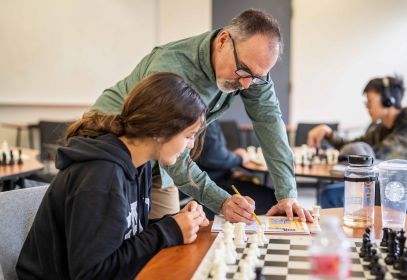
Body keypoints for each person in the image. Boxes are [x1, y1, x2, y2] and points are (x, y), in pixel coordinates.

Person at [92, 9, 312, 223]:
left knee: (166, 250)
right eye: (243, 70)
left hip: (164, 160)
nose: (246, 85)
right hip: (115, 147)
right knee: (117, 241)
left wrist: (287, 194)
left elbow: (269, 121)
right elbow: (170, 147)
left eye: (256, 77)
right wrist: (221, 201)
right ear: (223, 40)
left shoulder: (252, 71)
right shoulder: (172, 66)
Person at [16, 73, 210, 279]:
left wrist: (176, 221)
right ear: (160, 131)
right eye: (188, 136)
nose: (190, 145)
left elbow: (124, 234)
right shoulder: (101, 177)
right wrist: (168, 231)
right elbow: (92, 274)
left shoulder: (139, 164)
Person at [307, 75, 407, 215]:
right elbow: (354, 146)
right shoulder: (383, 128)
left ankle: (342, 236)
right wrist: (329, 133)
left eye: (370, 101)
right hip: (390, 188)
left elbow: (377, 157)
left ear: (388, 100)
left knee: (330, 196)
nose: (367, 107)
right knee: (330, 193)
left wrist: (348, 157)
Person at [195, 121, 277, 218]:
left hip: (219, 177)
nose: (191, 145)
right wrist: (239, 157)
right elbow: (212, 157)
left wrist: (230, 172)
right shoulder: (204, 119)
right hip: (216, 182)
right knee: (273, 197)